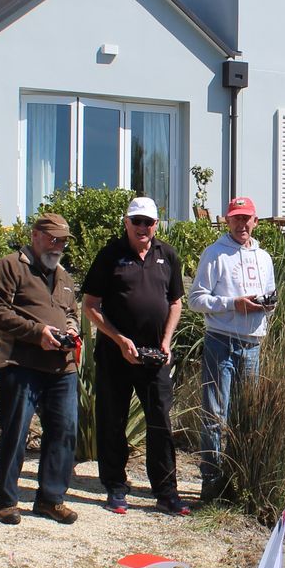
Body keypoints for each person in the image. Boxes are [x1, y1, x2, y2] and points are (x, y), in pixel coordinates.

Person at [81, 196, 188, 516]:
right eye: (136, 221)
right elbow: (90, 306)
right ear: (126, 223)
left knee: (161, 423)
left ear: (156, 225)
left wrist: (167, 341)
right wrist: (119, 340)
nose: (142, 227)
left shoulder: (167, 254)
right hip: (116, 354)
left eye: (148, 222)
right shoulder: (110, 255)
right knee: (112, 420)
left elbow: (175, 302)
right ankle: (115, 486)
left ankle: (166, 492)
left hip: (155, 355)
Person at [0, 212, 81, 525]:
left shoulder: (63, 276)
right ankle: (6, 502)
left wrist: (71, 329)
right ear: (35, 235)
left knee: (65, 431)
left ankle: (51, 499)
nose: (58, 246)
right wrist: (38, 333)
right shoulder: (10, 266)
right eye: (53, 239)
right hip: (20, 363)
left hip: (62, 367)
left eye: (63, 241)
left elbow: (72, 313)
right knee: (16, 432)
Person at [186, 196, 276, 502]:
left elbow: (271, 296)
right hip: (221, 340)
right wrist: (232, 304)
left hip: (252, 344)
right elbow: (195, 299)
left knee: (246, 415)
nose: (241, 224)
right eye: (236, 218)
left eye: (246, 218)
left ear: (255, 221)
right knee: (214, 414)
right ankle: (212, 483)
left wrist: (267, 305)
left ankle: (241, 480)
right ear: (227, 221)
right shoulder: (214, 253)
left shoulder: (264, 257)